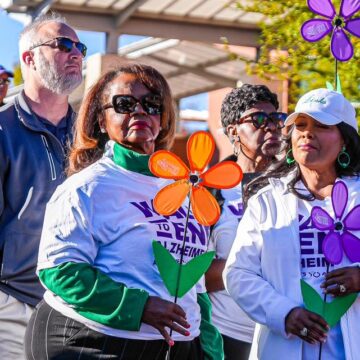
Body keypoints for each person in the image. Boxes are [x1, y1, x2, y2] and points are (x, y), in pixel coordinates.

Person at [24, 63, 220, 359]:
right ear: (102, 120)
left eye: (152, 104)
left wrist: (207, 345)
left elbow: (196, 283)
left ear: (163, 118)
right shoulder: (87, 188)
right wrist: (139, 307)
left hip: (175, 348)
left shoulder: (186, 191)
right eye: (124, 104)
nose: (139, 111)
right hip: (90, 342)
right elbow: (59, 271)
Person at [224, 88, 360, 360]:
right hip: (280, 349)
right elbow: (238, 273)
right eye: (300, 125)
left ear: (344, 140)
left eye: (322, 125)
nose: (307, 133)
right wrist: (284, 314)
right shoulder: (266, 201)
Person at [0, 13, 85, 359]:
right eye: (62, 44)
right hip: (12, 305)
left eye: (79, 46)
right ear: (29, 58)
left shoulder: (93, 137)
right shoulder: (3, 131)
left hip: (78, 308)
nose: (76, 53)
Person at [205, 84, 285, 359]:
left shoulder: (296, 188)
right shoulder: (209, 192)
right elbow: (192, 276)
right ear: (232, 132)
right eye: (259, 120)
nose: (272, 127)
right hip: (226, 338)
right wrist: (250, 267)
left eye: (276, 119)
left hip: (284, 334)